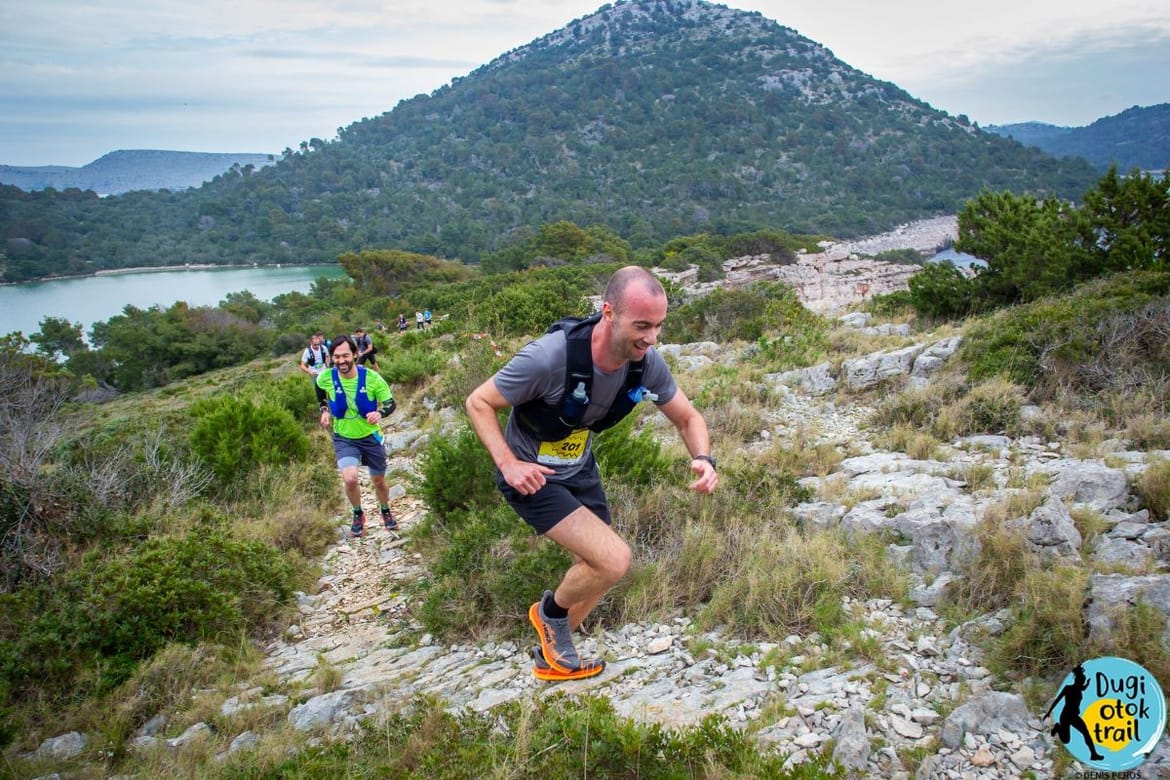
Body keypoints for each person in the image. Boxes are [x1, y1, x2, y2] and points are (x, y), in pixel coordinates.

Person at [465, 266, 717, 681]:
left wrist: (704, 459)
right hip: (533, 475)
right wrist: (508, 464)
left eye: (658, 326)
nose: (651, 338)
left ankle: (550, 659)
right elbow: (478, 401)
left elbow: (688, 417)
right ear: (608, 313)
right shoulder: (550, 357)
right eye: (641, 325)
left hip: (580, 469)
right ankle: (549, 614)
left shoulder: (645, 363)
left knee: (595, 566)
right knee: (613, 560)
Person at [317, 335, 398, 536]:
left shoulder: (372, 378)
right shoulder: (326, 378)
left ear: (355, 354)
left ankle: (385, 510)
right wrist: (324, 410)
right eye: (336, 357)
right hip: (344, 438)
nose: (341, 361)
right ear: (331, 358)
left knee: (378, 480)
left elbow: (390, 404)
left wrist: (380, 413)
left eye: (345, 356)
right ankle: (357, 513)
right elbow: (319, 389)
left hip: (370, 437)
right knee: (350, 478)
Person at [1044, 664, 1105, 761]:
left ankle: (1093, 754)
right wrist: (1049, 712)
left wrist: (1087, 684)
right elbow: (1057, 700)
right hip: (1066, 716)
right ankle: (1058, 727)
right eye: (1082, 681)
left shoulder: (1079, 688)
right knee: (1066, 740)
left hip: (1074, 716)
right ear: (1077, 681)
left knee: (1086, 732)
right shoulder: (1068, 688)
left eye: (1083, 681)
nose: (1082, 683)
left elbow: (1082, 688)